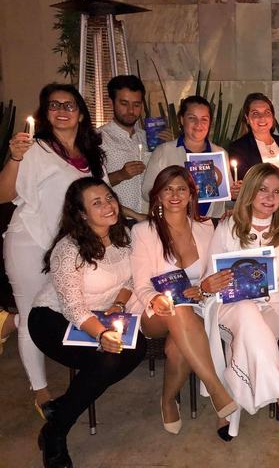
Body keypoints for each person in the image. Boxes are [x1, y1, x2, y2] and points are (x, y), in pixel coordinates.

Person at [1, 83, 106, 415]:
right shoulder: (34, 148)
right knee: (33, 314)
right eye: (54, 105)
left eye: (69, 104)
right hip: (29, 241)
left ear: (81, 113)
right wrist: (15, 157)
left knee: (55, 308)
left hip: (66, 248)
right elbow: (4, 194)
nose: (62, 110)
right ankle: (42, 393)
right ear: (45, 113)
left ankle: (6, 322)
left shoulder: (90, 154)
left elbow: (98, 196)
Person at [28, 177, 146, 468]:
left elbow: (131, 278)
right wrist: (102, 334)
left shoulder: (123, 235)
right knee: (106, 360)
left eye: (109, 198)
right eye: (97, 203)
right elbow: (73, 307)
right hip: (53, 319)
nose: (108, 205)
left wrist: (119, 305)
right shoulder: (69, 249)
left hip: (101, 315)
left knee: (138, 347)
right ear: (81, 214)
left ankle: (63, 406)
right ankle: (56, 433)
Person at [201, 163, 279, 449]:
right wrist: (212, 283)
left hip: (274, 306)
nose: (270, 197)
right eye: (263, 189)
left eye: (277, 191)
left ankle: (230, 403)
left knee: (250, 328)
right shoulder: (227, 227)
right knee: (247, 312)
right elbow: (208, 277)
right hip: (230, 305)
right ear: (249, 191)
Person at [131, 166, 237, 435]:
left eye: (181, 189)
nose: (175, 195)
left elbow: (212, 277)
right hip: (152, 309)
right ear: (158, 195)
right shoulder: (143, 231)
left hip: (196, 306)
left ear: (191, 194)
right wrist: (156, 299)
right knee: (176, 308)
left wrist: (202, 290)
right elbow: (140, 284)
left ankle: (167, 400)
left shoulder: (206, 228)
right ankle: (215, 386)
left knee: (178, 349)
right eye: (167, 189)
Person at [142, 95, 232, 219]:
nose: (198, 124)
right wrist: (177, 190)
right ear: (182, 119)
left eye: (204, 119)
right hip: (175, 223)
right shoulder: (163, 152)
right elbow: (147, 192)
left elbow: (227, 196)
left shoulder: (220, 153)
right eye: (192, 118)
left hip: (213, 223)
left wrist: (235, 193)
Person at [101, 75, 148, 222]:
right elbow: (89, 185)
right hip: (116, 221)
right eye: (124, 103)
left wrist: (168, 144)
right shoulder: (98, 139)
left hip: (149, 219)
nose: (131, 110)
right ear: (111, 103)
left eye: (136, 104)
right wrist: (120, 175)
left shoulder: (148, 137)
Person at [227, 93, 279, 182]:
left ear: (272, 116)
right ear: (247, 118)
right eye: (255, 113)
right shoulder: (238, 148)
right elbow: (244, 184)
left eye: (267, 112)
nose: (262, 117)